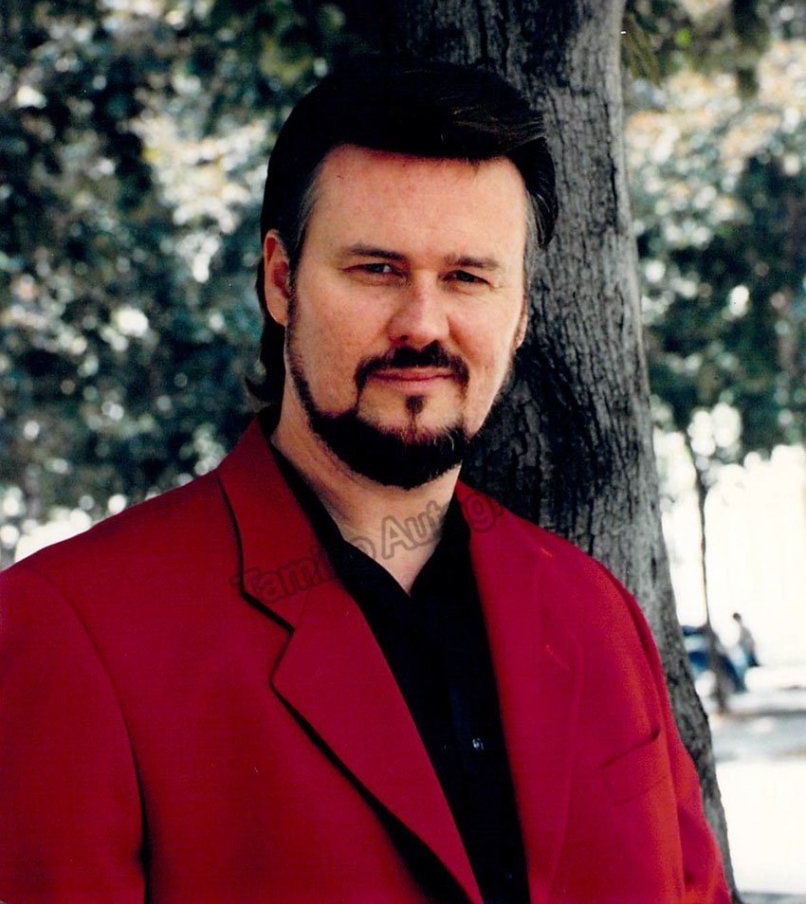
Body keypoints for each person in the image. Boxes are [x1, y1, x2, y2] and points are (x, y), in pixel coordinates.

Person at [0, 61, 730, 903]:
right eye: (377, 269)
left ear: (522, 310)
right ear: (280, 282)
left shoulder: (597, 613)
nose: (422, 325)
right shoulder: (69, 628)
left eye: (468, 276)